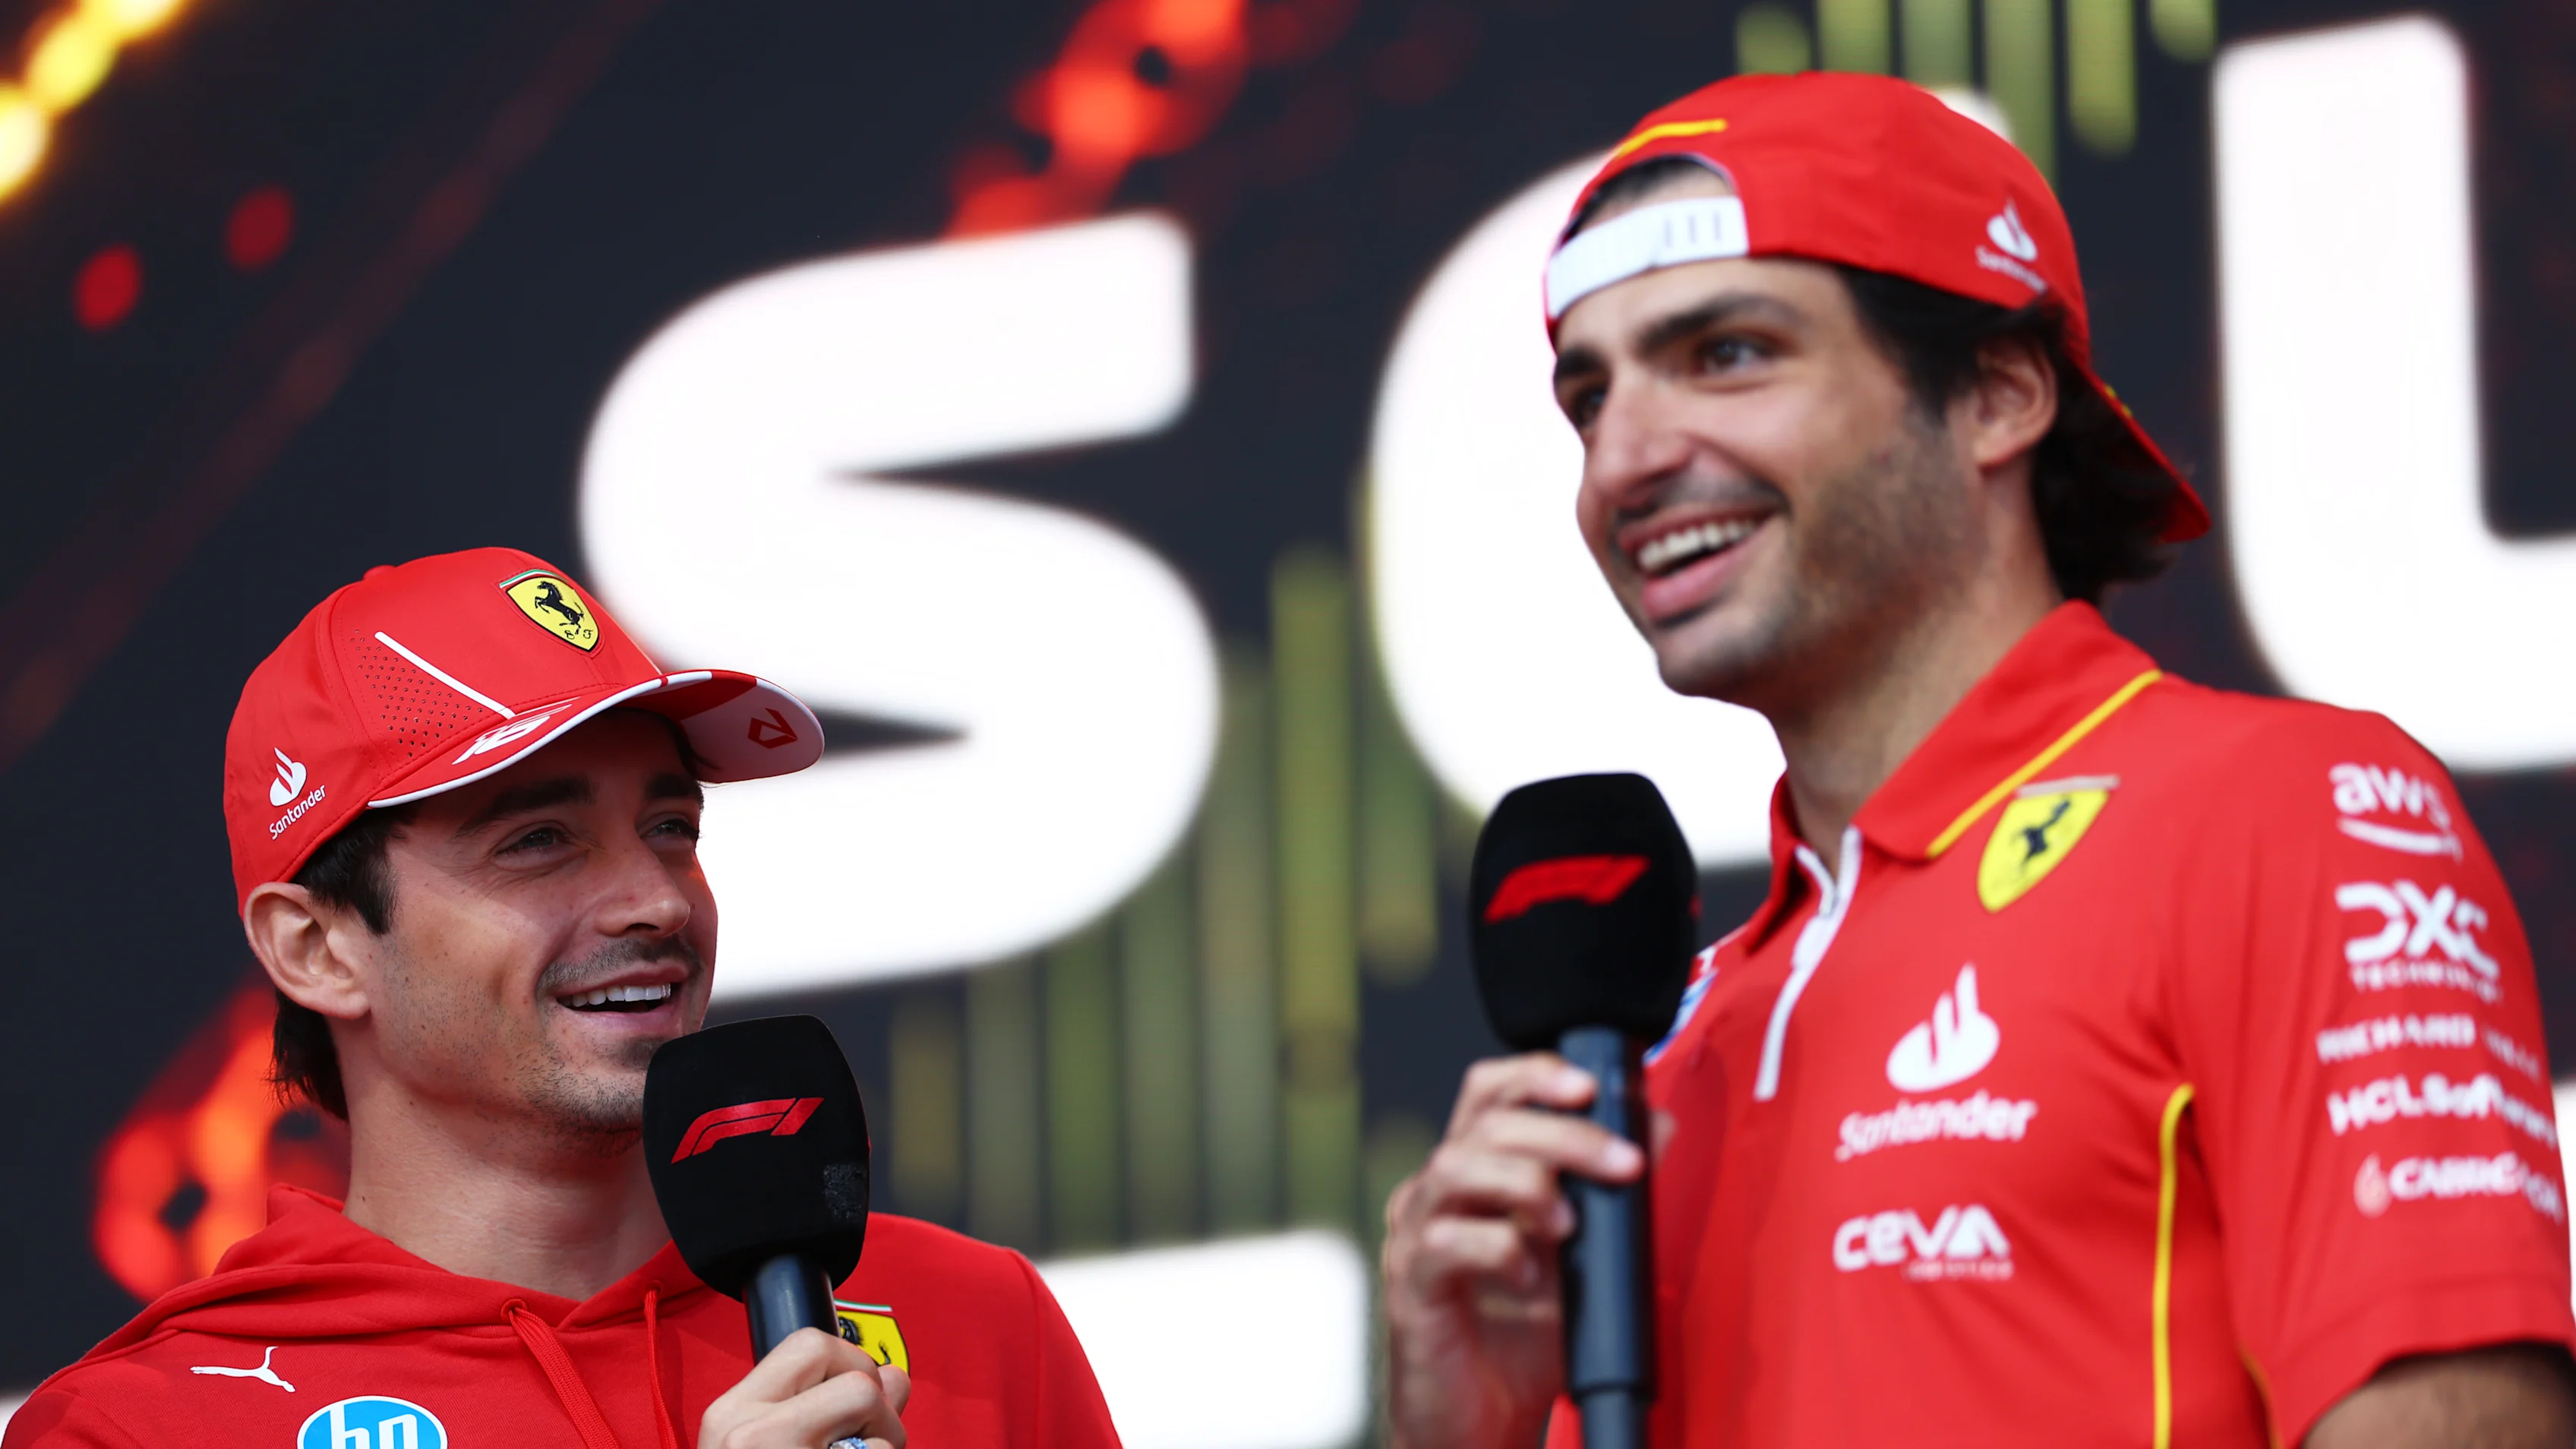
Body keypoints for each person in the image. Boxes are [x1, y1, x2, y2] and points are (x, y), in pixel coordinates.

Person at [1381, 70, 2576, 1448]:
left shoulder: (2289, 815)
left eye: (1728, 354)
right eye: (1590, 400)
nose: (1623, 462)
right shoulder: (1664, 1052)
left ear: (2000, 395)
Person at [5, 548, 1120, 1449]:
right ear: (318, 950)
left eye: (671, 827)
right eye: (539, 841)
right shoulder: (142, 1429)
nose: (658, 901)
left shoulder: (977, 1323)